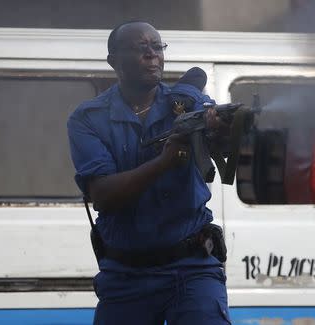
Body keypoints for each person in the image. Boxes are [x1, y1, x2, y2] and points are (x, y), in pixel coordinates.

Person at [67, 21, 231, 325]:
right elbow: (103, 195)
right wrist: (164, 161)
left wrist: (222, 131)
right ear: (113, 61)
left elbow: (221, 136)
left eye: (157, 47)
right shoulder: (88, 119)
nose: (152, 55)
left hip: (192, 267)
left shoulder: (186, 103)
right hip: (126, 276)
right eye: (140, 48)